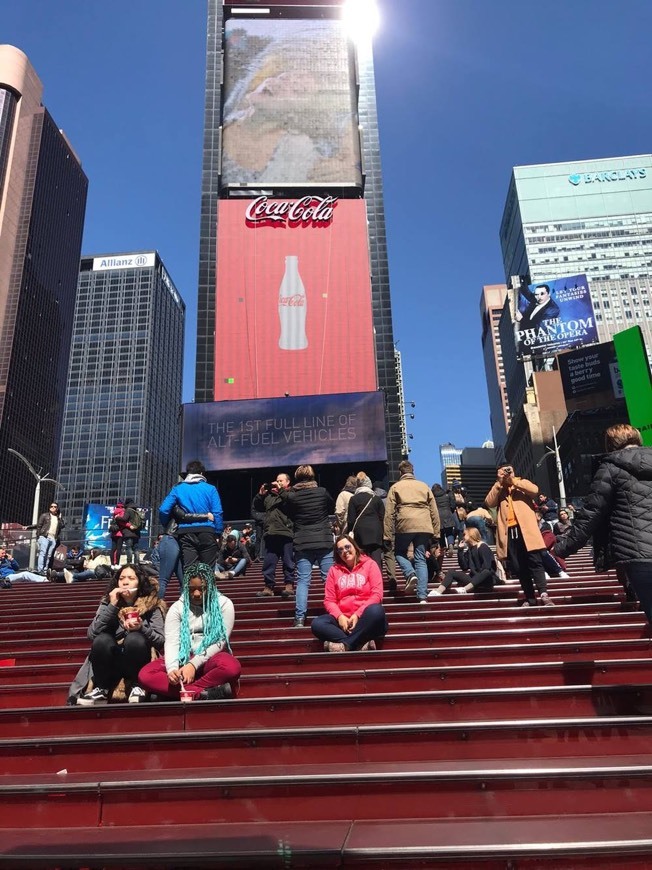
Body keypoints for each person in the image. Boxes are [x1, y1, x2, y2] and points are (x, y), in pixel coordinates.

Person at [555, 424, 652, 620]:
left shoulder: (610, 468)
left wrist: (564, 547)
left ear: (610, 444)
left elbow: (592, 512)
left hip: (637, 552)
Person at [139, 562, 241, 701]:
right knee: (145, 675)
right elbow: (172, 641)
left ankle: (183, 691)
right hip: (183, 657)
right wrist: (172, 670)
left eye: (202, 589)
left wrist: (193, 665)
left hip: (210, 659)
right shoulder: (177, 608)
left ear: (211, 586)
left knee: (231, 666)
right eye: (192, 589)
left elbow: (220, 641)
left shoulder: (224, 604)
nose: (196, 593)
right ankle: (204, 693)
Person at [70, 564, 165, 706]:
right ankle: (101, 688)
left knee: (134, 638)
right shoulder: (108, 602)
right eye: (121, 578)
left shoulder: (152, 605)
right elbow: (92, 633)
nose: (125, 582)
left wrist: (141, 628)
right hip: (111, 662)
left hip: (140, 661)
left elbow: (160, 640)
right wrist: (112, 607)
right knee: (102, 640)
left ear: (139, 582)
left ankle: (137, 686)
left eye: (131, 578)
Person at [485, 465, 554, 607]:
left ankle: (543, 593)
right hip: (509, 531)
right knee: (519, 566)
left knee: (535, 561)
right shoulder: (499, 489)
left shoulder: (521, 483)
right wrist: (499, 482)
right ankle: (530, 597)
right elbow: (489, 502)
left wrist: (513, 480)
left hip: (526, 530)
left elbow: (534, 490)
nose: (506, 473)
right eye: (503, 470)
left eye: (508, 469)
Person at [278, 465, 335, 628]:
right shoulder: (322, 492)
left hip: (302, 541)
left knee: (303, 580)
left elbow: (289, 514)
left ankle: (300, 618)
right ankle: (334, 612)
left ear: (297, 477)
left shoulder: (292, 497)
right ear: (312, 476)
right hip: (323, 539)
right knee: (328, 579)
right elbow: (330, 508)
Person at [311, 536, 387, 652]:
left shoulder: (370, 564)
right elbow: (329, 600)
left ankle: (346, 645)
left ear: (355, 547)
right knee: (317, 624)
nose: (344, 552)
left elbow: (377, 595)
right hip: (343, 623)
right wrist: (340, 616)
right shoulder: (334, 570)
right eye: (340, 550)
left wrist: (357, 614)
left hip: (365, 620)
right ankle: (359, 643)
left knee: (376, 611)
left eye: (347, 547)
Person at [383, 460, 440, 604]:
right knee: (420, 558)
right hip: (424, 524)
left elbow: (389, 513)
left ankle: (410, 573)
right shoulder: (424, 486)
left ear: (400, 472)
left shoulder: (395, 487)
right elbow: (434, 510)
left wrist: (387, 535)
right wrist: (437, 532)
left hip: (405, 523)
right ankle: (422, 596)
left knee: (399, 553)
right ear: (412, 471)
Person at [159, 460, 223, 570]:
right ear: (202, 474)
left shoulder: (178, 489)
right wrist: (218, 533)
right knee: (207, 572)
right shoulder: (210, 489)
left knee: (190, 572)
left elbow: (164, 510)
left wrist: (166, 524)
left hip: (186, 533)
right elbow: (217, 513)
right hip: (207, 532)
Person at [252, 472, 295, 599]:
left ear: (288, 482)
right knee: (269, 562)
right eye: (277, 480)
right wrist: (260, 495)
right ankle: (268, 586)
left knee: (288, 561)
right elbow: (257, 507)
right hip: (271, 533)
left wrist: (281, 490)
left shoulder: (291, 494)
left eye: (281, 481)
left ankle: (289, 585)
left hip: (286, 532)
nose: (278, 482)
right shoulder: (270, 495)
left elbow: (290, 502)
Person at [429, 527, 498, 597]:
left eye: (464, 534)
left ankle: (465, 589)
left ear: (471, 534)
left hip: (486, 580)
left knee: (486, 571)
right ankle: (438, 591)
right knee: (451, 572)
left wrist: (477, 577)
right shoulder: (470, 550)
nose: (463, 537)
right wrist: (460, 550)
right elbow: (464, 567)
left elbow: (487, 567)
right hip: (474, 579)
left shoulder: (482, 546)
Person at [347, 472, 385, 570]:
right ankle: (377, 582)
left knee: (362, 561)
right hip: (376, 533)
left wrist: (350, 533)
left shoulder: (354, 499)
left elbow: (351, 520)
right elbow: (382, 518)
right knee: (376, 562)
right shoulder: (376, 499)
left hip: (360, 534)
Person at [29, 502, 64, 575]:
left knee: (49, 555)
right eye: (52, 506)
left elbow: (62, 526)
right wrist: (39, 535)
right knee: (43, 553)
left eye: (55, 507)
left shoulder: (58, 518)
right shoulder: (44, 515)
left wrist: (60, 518)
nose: (53, 508)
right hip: (45, 536)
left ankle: (45, 570)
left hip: (53, 538)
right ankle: (40, 569)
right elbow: (39, 526)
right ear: (49, 507)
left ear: (57, 509)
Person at [431, 483, 455, 555]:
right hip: (448, 514)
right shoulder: (446, 495)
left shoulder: (433, 497)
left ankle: (443, 548)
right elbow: (453, 505)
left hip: (438, 515)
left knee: (440, 533)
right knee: (449, 532)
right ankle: (450, 545)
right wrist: (450, 510)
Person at [121, 498, 143, 565]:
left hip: (129, 532)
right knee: (136, 549)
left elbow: (124, 519)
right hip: (137, 533)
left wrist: (118, 517)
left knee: (129, 548)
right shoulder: (136, 510)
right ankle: (136, 562)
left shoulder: (128, 510)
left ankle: (129, 562)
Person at [109, 502, 126, 567]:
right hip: (120, 533)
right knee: (119, 549)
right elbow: (122, 522)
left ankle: (112, 564)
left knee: (113, 549)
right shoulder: (122, 512)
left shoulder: (115, 512)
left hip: (113, 533)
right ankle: (117, 564)